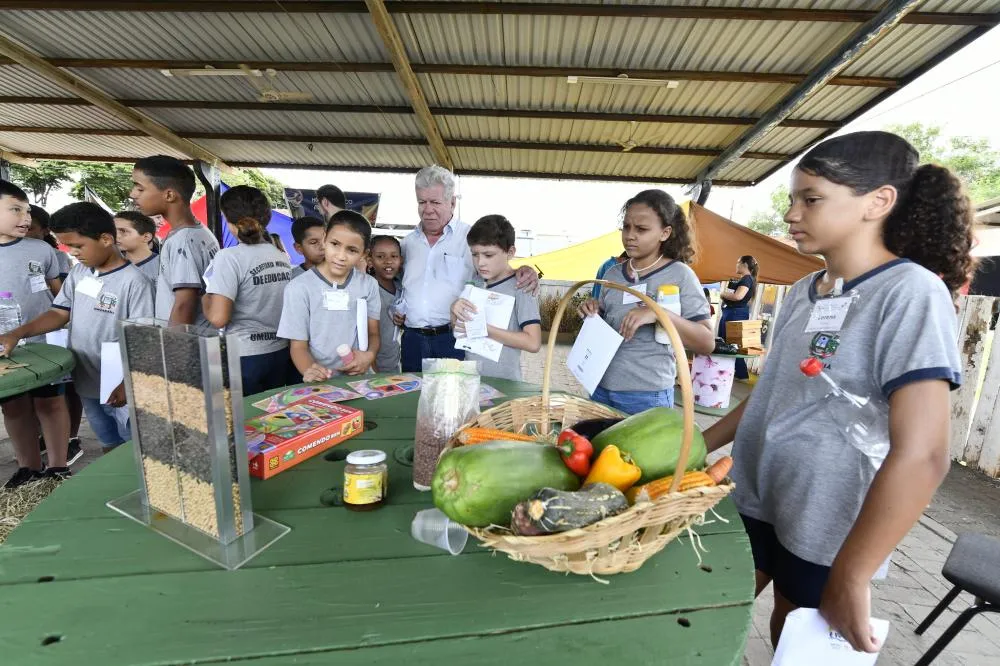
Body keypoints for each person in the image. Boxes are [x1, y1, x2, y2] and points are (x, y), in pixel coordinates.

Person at [702, 131, 972, 653]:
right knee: (714, 611)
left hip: (827, 513)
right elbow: (774, 390)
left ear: (879, 202)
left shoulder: (910, 292)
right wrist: (700, 445)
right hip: (757, 490)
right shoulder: (806, 291)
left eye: (811, 199)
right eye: (791, 200)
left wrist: (852, 574)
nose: (790, 215)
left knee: (796, 624)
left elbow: (925, 453)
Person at [0, 202, 155, 458]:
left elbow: (145, 338)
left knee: (134, 445)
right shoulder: (81, 272)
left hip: (120, 384)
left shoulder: (134, 283)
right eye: (67, 246)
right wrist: (17, 333)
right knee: (107, 441)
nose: (72, 253)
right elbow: (59, 313)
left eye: (77, 246)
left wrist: (128, 382)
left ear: (106, 239)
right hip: (88, 380)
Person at [578, 189, 714, 415]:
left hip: (646, 397)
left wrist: (658, 313)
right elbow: (604, 323)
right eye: (626, 227)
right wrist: (591, 311)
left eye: (641, 229)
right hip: (599, 389)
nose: (630, 235)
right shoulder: (612, 274)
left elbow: (706, 342)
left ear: (665, 233)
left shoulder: (680, 275)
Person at [394, 165, 538, 372]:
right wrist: (396, 310)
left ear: (452, 202)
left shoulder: (471, 239)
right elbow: (398, 283)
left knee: (451, 399)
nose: (427, 209)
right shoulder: (406, 244)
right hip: (412, 339)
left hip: (452, 338)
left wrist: (524, 270)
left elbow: (498, 267)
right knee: (412, 398)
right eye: (421, 202)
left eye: (435, 202)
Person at [0, 180, 71, 487]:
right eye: (15, 210)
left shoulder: (41, 249)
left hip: (43, 344)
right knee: (13, 405)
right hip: (5, 348)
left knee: (51, 402)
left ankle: (57, 467)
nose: (25, 218)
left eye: (27, 211)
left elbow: (61, 297)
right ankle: (28, 467)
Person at [202, 186, 293, 396]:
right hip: (279, 353)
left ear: (230, 222)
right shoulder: (280, 255)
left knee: (244, 423)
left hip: (244, 356)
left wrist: (205, 298)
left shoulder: (229, 257)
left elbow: (218, 318)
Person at [277, 210, 380, 381]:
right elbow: (298, 346)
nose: (341, 256)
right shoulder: (298, 288)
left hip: (358, 378)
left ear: (364, 254)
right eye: (335, 244)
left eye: (352, 250)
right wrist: (311, 370)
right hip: (320, 380)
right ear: (324, 238)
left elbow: (374, 333)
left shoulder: (368, 285)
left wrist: (369, 356)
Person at [129, 155, 218, 327]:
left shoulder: (182, 242)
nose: (132, 194)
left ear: (169, 195)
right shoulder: (201, 232)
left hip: (186, 345)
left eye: (140, 189)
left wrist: (173, 348)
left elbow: (184, 305)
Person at [450, 215, 541, 381]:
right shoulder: (475, 281)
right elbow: (458, 328)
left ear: (510, 252)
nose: (480, 263)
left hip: (504, 383)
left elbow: (533, 343)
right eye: (475, 254)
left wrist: (485, 329)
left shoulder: (522, 286)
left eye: (488, 255)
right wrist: (454, 310)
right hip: (471, 379)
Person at [28, 204, 84, 465]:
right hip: (31, 332)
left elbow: (61, 298)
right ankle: (42, 441)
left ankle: (70, 439)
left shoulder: (52, 255)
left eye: (31, 227)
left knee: (62, 390)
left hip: (53, 332)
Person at [719, 255, 759, 379]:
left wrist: (723, 294)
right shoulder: (750, 279)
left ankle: (737, 373)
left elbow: (738, 296)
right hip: (737, 312)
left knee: (729, 344)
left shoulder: (746, 279)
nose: (736, 265)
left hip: (734, 313)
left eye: (738, 263)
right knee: (734, 344)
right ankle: (739, 373)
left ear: (745, 265)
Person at [369, 235, 403, 373]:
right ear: (370, 261)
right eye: (380, 257)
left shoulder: (401, 288)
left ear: (401, 260)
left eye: (394, 256)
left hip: (395, 364)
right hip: (375, 366)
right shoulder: (368, 290)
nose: (388, 261)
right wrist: (373, 370)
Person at [114, 210, 160, 284]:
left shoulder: (163, 266)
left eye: (123, 231)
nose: (115, 235)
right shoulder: (109, 262)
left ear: (146, 237)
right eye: (113, 230)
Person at [28, 205, 70, 282]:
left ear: (46, 231)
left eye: (29, 229)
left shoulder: (57, 256)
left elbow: (60, 289)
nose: (22, 233)